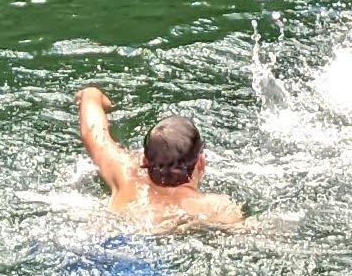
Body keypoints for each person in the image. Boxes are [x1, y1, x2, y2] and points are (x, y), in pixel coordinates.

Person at [74, 86, 244, 234]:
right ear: (201, 163)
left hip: (107, 240)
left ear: (144, 159)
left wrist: (92, 95)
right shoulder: (215, 207)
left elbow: (93, 133)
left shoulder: (124, 173)